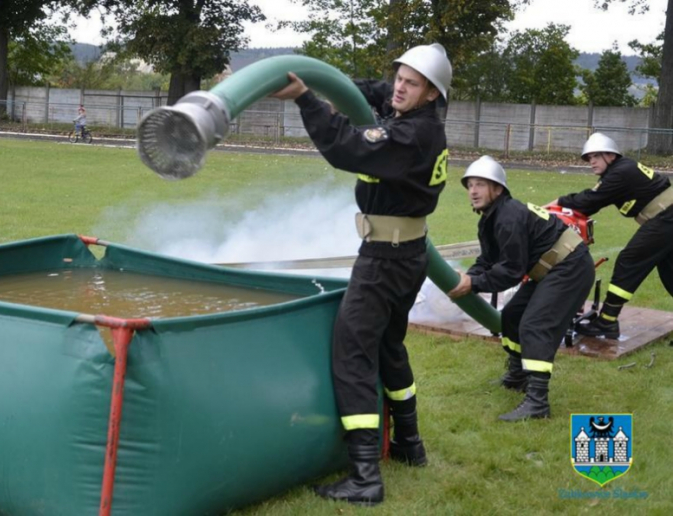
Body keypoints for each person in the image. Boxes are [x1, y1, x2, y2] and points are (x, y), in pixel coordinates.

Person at [271, 43, 452, 506]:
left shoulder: (412, 136)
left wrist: (306, 100)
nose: (400, 87)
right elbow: (374, 92)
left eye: (412, 83)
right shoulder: (421, 119)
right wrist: (324, 83)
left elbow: (346, 147)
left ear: (432, 93)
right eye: (400, 77)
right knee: (390, 345)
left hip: (384, 259)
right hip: (407, 253)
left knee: (352, 350)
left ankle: (365, 476)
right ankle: (410, 445)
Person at [448, 156, 594, 422]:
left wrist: (475, 283)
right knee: (512, 314)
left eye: (481, 184)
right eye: (470, 185)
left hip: (569, 267)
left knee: (535, 325)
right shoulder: (491, 218)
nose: (473, 191)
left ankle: (538, 402)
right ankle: (518, 376)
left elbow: (511, 271)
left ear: (498, 189)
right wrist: (469, 277)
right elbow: (489, 260)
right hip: (552, 268)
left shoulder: (507, 217)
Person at [555, 132, 673, 339]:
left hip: (666, 218)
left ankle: (607, 321)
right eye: (589, 158)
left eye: (595, 157)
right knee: (670, 272)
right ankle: (607, 321)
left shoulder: (619, 173)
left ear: (610, 155)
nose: (591, 162)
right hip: (666, 217)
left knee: (629, 260)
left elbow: (591, 201)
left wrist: (559, 202)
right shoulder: (620, 170)